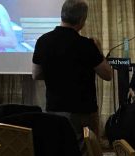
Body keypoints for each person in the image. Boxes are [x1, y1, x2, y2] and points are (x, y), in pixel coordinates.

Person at [32, 0, 113, 138]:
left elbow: (36, 74)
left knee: (59, 148)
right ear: (81, 20)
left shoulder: (43, 41)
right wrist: (99, 50)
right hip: (83, 112)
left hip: (54, 110)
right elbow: (107, 74)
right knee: (85, 150)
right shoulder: (87, 45)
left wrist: (57, 73)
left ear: (62, 15)